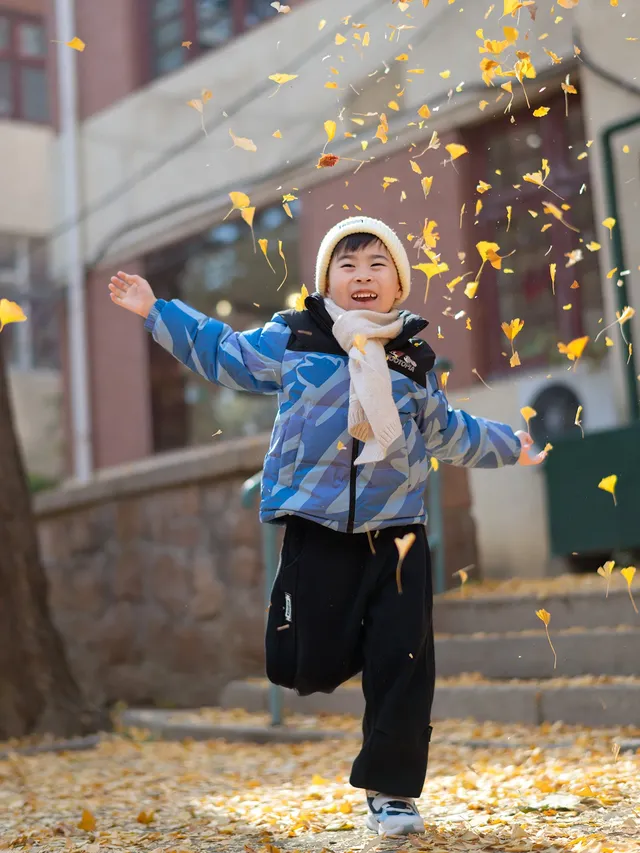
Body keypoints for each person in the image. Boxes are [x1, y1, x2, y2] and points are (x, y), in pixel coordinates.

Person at [109, 215, 545, 837]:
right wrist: (157, 311)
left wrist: (512, 445)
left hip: (398, 531)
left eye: (377, 266)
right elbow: (224, 353)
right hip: (316, 526)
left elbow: (449, 432)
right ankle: (341, 655)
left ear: (397, 285)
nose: (363, 277)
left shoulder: (413, 360)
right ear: (327, 281)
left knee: (405, 661)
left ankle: (391, 792)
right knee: (302, 663)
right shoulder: (295, 337)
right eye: (349, 266)